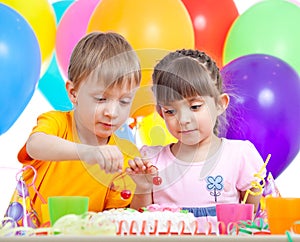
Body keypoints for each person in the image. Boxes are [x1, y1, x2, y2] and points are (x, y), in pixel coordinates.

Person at [127, 49, 266, 231]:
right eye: (170, 111)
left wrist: (255, 191)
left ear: (219, 104)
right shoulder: (152, 161)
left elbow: (254, 223)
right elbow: (138, 226)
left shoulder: (239, 156)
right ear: (161, 113)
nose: (183, 119)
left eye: (194, 106)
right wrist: (143, 187)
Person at [17, 32, 141, 224]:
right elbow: (35, 145)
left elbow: (117, 220)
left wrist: (143, 187)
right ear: (73, 93)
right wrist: (89, 152)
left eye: (124, 101)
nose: (112, 112)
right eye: (101, 99)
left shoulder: (126, 155)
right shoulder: (57, 123)